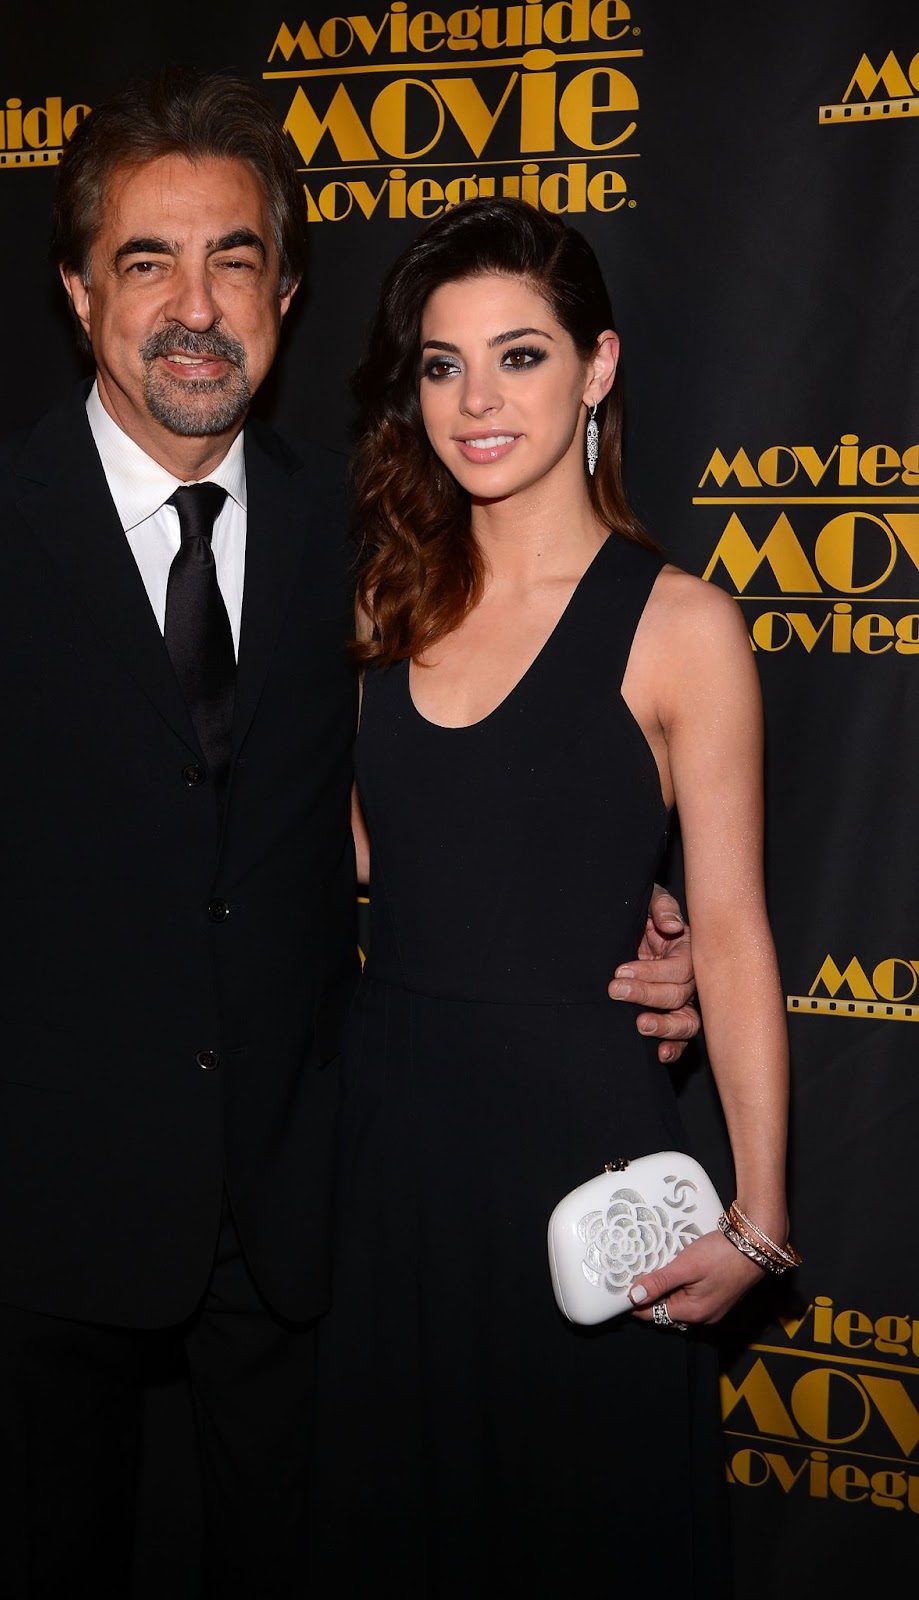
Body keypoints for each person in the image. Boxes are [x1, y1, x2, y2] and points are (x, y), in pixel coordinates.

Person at [0, 72, 699, 1600]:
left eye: (232, 263)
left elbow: (487, 763)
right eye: (148, 262)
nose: (193, 305)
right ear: (81, 294)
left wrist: (638, 907)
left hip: (304, 1209)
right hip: (37, 1211)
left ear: (282, 295)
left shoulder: (371, 526)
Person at [307, 197, 794, 1598]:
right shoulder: (385, 607)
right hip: (387, 1157)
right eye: (443, 363)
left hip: (579, 1156)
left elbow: (737, 928)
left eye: (519, 356)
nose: (475, 399)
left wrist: (759, 1214)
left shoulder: (682, 626)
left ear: (598, 368)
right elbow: (354, 850)